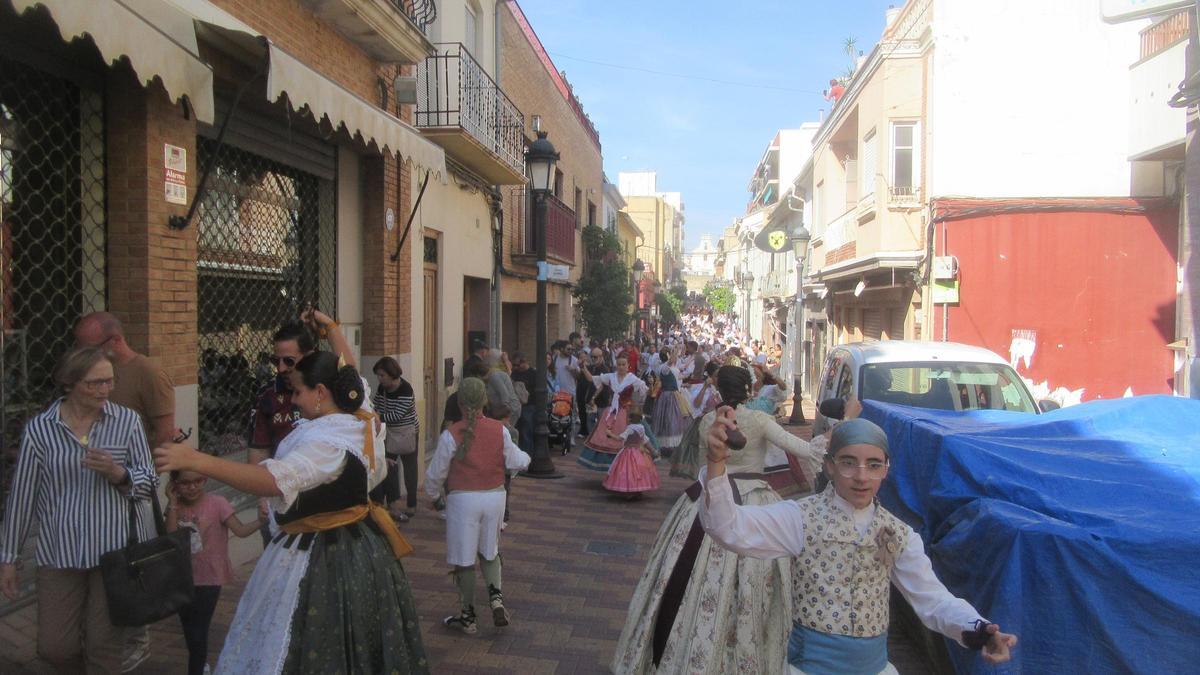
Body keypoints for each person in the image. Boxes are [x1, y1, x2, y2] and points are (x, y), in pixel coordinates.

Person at [153, 350, 427, 673]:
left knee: (311, 638)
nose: (293, 400)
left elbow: (272, 480)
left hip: (324, 553)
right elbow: (352, 375)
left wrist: (197, 461)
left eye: (298, 392)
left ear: (321, 392)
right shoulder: (356, 418)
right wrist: (332, 329)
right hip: (361, 544)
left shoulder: (327, 445)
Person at [700, 415, 1019, 673]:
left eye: (874, 465)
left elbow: (933, 600)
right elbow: (728, 528)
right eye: (849, 462)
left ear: (886, 470)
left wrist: (981, 631)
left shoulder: (897, 534)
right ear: (829, 465)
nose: (861, 477)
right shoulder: (802, 518)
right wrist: (716, 463)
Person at [611, 366, 830, 675]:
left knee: (682, 576)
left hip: (706, 504)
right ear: (750, 390)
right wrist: (840, 428)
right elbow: (807, 451)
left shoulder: (706, 423)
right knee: (756, 586)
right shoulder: (760, 421)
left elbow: (699, 463)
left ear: (718, 390)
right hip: (754, 506)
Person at [0, 347, 157, 673]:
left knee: (104, 649)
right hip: (59, 551)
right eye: (95, 383)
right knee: (55, 648)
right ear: (69, 383)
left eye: (109, 382)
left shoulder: (127, 422)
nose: (105, 390)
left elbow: (149, 483)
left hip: (113, 553)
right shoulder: (40, 430)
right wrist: (9, 557)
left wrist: (120, 474)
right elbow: (22, 497)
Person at [74, 311, 176, 672]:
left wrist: (134, 473)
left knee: (136, 559)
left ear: (113, 342)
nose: (81, 356)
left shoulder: (147, 373)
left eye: (87, 348)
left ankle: (137, 633)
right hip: (93, 485)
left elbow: (165, 432)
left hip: (133, 484)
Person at [425, 378, 531, 635]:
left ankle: (468, 616)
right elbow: (518, 461)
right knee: (490, 550)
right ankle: (496, 597)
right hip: (494, 496)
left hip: (463, 499)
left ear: (460, 402)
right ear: (485, 400)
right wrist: (524, 460)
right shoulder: (499, 430)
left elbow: (434, 475)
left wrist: (435, 498)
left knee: (463, 560)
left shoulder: (451, 434)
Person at [165, 470, 264, 675]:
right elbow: (170, 539)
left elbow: (241, 531)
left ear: (205, 480)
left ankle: (197, 669)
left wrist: (262, 521)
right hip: (182, 577)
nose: (192, 487)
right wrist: (172, 503)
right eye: (185, 483)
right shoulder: (175, 507)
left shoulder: (217, 503)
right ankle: (201, 665)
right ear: (174, 484)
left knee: (198, 628)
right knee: (189, 629)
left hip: (210, 576)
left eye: (197, 481)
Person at [245, 321, 315, 546]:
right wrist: (261, 498)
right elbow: (259, 450)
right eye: (276, 361)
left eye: (289, 361)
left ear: (308, 356)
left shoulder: (328, 390)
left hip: (318, 501)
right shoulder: (267, 395)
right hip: (279, 499)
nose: (281, 368)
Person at [577, 354, 648, 472]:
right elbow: (591, 379)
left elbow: (643, 391)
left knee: (624, 439)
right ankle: (610, 467)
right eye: (619, 364)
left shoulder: (632, 378)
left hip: (625, 412)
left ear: (628, 366)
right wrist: (583, 367)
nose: (621, 367)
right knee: (604, 437)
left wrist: (637, 404)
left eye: (623, 364)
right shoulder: (611, 377)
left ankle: (624, 467)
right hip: (611, 412)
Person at [372, 357, 420, 522]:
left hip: (407, 432)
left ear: (392, 374)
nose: (379, 379)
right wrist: (376, 415)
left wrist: (379, 417)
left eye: (382, 375)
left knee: (410, 469)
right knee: (389, 467)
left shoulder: (406, 389)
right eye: (378, 375)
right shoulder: (382, 388)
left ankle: (411, 504)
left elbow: (397, 415)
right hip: (390, 433)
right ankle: (392, 503)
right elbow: (375, 405)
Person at [602, 407, 659, 498]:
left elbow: (619, 438)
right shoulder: (641, 427)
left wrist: (609, 433)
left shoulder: (629, 428)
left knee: (627, 471)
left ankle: (629, 491)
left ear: (630, 419)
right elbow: (645, 440)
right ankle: (638, 490)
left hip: (628, 452)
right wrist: (653, 451)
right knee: (639, 471)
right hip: (639, 452)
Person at [650, 349, 693, 456]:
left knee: (671, 418)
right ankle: (667, 445)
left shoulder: (668, 367)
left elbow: (678, 375)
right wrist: (676, 351)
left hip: (673, 394)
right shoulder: (663, 368)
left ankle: (671, 445)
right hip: (668, 395)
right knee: (670, 418)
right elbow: (670, 364)